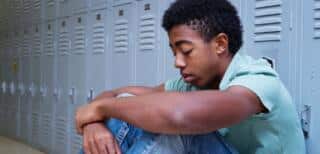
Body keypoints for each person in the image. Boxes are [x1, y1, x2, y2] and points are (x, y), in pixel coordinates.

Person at [76, 0, 305, 153]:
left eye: (186, 51)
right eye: (174, 52)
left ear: (220, 44)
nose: (177, 62)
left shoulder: (257, 80)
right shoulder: (193, 84)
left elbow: (179, 115)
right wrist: (94, 123)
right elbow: (118, 94)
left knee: (173, 125)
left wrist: (100, 109)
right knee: (131, 106)